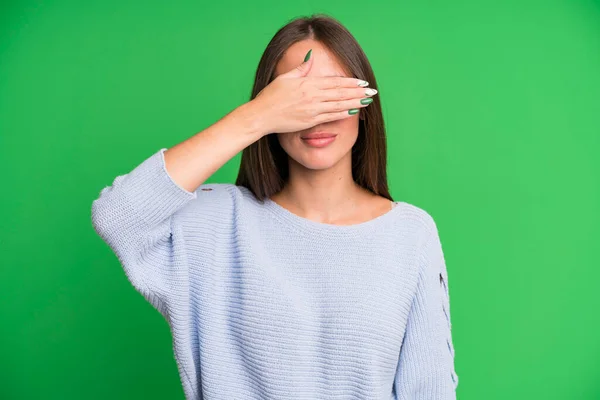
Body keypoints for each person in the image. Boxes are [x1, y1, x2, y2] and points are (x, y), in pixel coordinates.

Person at [91, 14, 458, 400]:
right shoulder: (214, 223)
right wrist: (255, 118)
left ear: (364, 104)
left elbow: (428, 390)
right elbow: (118, 216)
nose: (316, 114)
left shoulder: (410, 234)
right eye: (297, 98)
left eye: (333, 93)